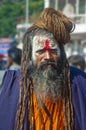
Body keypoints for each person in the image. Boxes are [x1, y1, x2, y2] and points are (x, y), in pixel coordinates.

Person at [0, 7, 86, 130]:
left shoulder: (80, 82)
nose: (47, 56)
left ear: (62, 53)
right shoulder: (10, 83)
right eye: (40, 51)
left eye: (53, 51)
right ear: (29, 55)